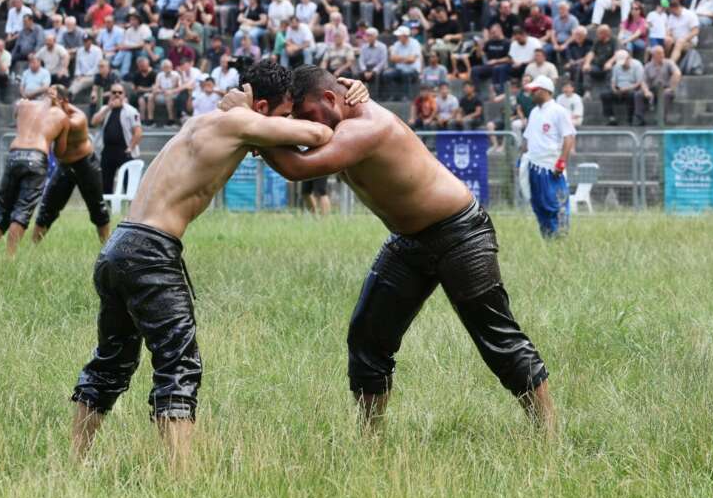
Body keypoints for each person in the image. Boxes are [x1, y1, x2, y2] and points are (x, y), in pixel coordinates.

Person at [69, 63, 369, 467]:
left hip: (119, 247)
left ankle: (77, 461)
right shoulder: (240, 122)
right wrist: (355, 98)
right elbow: (320, 134)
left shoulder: (206, 119)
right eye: (283, 114)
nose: (287, 122)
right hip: (150, 253)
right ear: (261, 107)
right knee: (178, 363)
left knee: (112, 360)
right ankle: (181, 478)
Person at [229, 66, 555, 433]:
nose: (303, 126)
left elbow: (297, 167)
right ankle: (371, 439)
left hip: (460, 233)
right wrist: (261, 123)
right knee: (367, 336)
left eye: (305, 116)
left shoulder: (364, 127)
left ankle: (547, 433)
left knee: (496, 336)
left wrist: (250, 126)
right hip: (408, 240)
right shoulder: (338, 117)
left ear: (331, 99)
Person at [0, 89, 70, 256]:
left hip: (14, 155)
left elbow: (19, 107)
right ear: (62, 100)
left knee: (1, 209)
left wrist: (39, 94)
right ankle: (9, 257)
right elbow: (60, 152)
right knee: (22, 210)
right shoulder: (61, 116)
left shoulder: (24, 106)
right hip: (37, 157)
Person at [33, 86, 111, 245]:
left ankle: (106, 247)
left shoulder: (78, 118)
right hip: (64, 166)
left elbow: (63, 125)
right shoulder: (51, 114)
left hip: (85, 164)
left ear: (64, 101)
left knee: (98, 209)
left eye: (52, 99)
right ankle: (32, 246)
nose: (48, 103)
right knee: (47, 208)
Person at [520, 75, 575, 238]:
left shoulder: (559, 111)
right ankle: (547, 237)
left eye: (534, 90)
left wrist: (561, 162)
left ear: (545, 91)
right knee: (539, 204)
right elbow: (527, 138)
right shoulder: (534, 112)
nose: (531, 94)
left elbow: (569, 137)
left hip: (550, 166)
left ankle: (561, 236)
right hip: (534, 165)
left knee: (556, 203)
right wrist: (522, 157)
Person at [92, 83, 143, 194]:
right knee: (106, 182)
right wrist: (108, 108)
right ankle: (107, 203)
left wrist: (130, 147)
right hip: (107, 151)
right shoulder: (105, 109)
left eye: (120, 92)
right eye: (114, 92)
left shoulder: (131, 111)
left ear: (124, 94)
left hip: (124, 151)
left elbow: (138, 132)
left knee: (127, 182)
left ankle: (130, 203)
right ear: (110, 94)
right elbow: (94, 122)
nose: (117, 95)